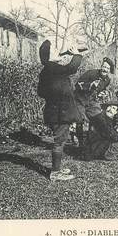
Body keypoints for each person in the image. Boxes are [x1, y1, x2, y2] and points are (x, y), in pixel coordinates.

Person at [37, 40, 85, 181]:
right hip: (60, 113)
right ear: (50, 55)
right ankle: (55, 172)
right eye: (55, 49)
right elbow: (71, 68)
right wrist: (76, 54)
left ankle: (56, 168)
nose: (58, 50)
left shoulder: (48, 69)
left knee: (61, 140)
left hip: (55, 111)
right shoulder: (52, 67)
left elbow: (41, 92)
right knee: (59, 141)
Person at [73, 57, 114, 146]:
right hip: (80, 99)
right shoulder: (91, 73)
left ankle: (99, 143)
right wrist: (89, 85)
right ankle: (81, 145)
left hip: (91, 101)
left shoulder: (107, 80)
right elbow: (77, 85)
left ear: (110, 70)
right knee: (81, 121)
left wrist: (102, 93)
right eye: (103, 66)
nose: (104, 69)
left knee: (99, 118)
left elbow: (101, 90)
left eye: (107, 68)